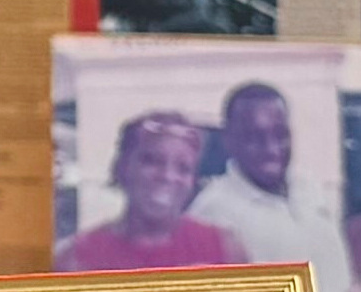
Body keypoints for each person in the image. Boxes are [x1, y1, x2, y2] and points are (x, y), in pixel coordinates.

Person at [55, 109, 240, 272]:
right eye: (152, 161)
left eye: (183, 167)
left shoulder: (223, 248)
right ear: (122, 167)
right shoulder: (76, 257)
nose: (168, 176)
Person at [183, 81, 305, 251]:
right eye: (255, 137)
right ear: (228, 140)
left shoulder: (308, 189)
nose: (272, 149)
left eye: (280, 135)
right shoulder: (212, 215)